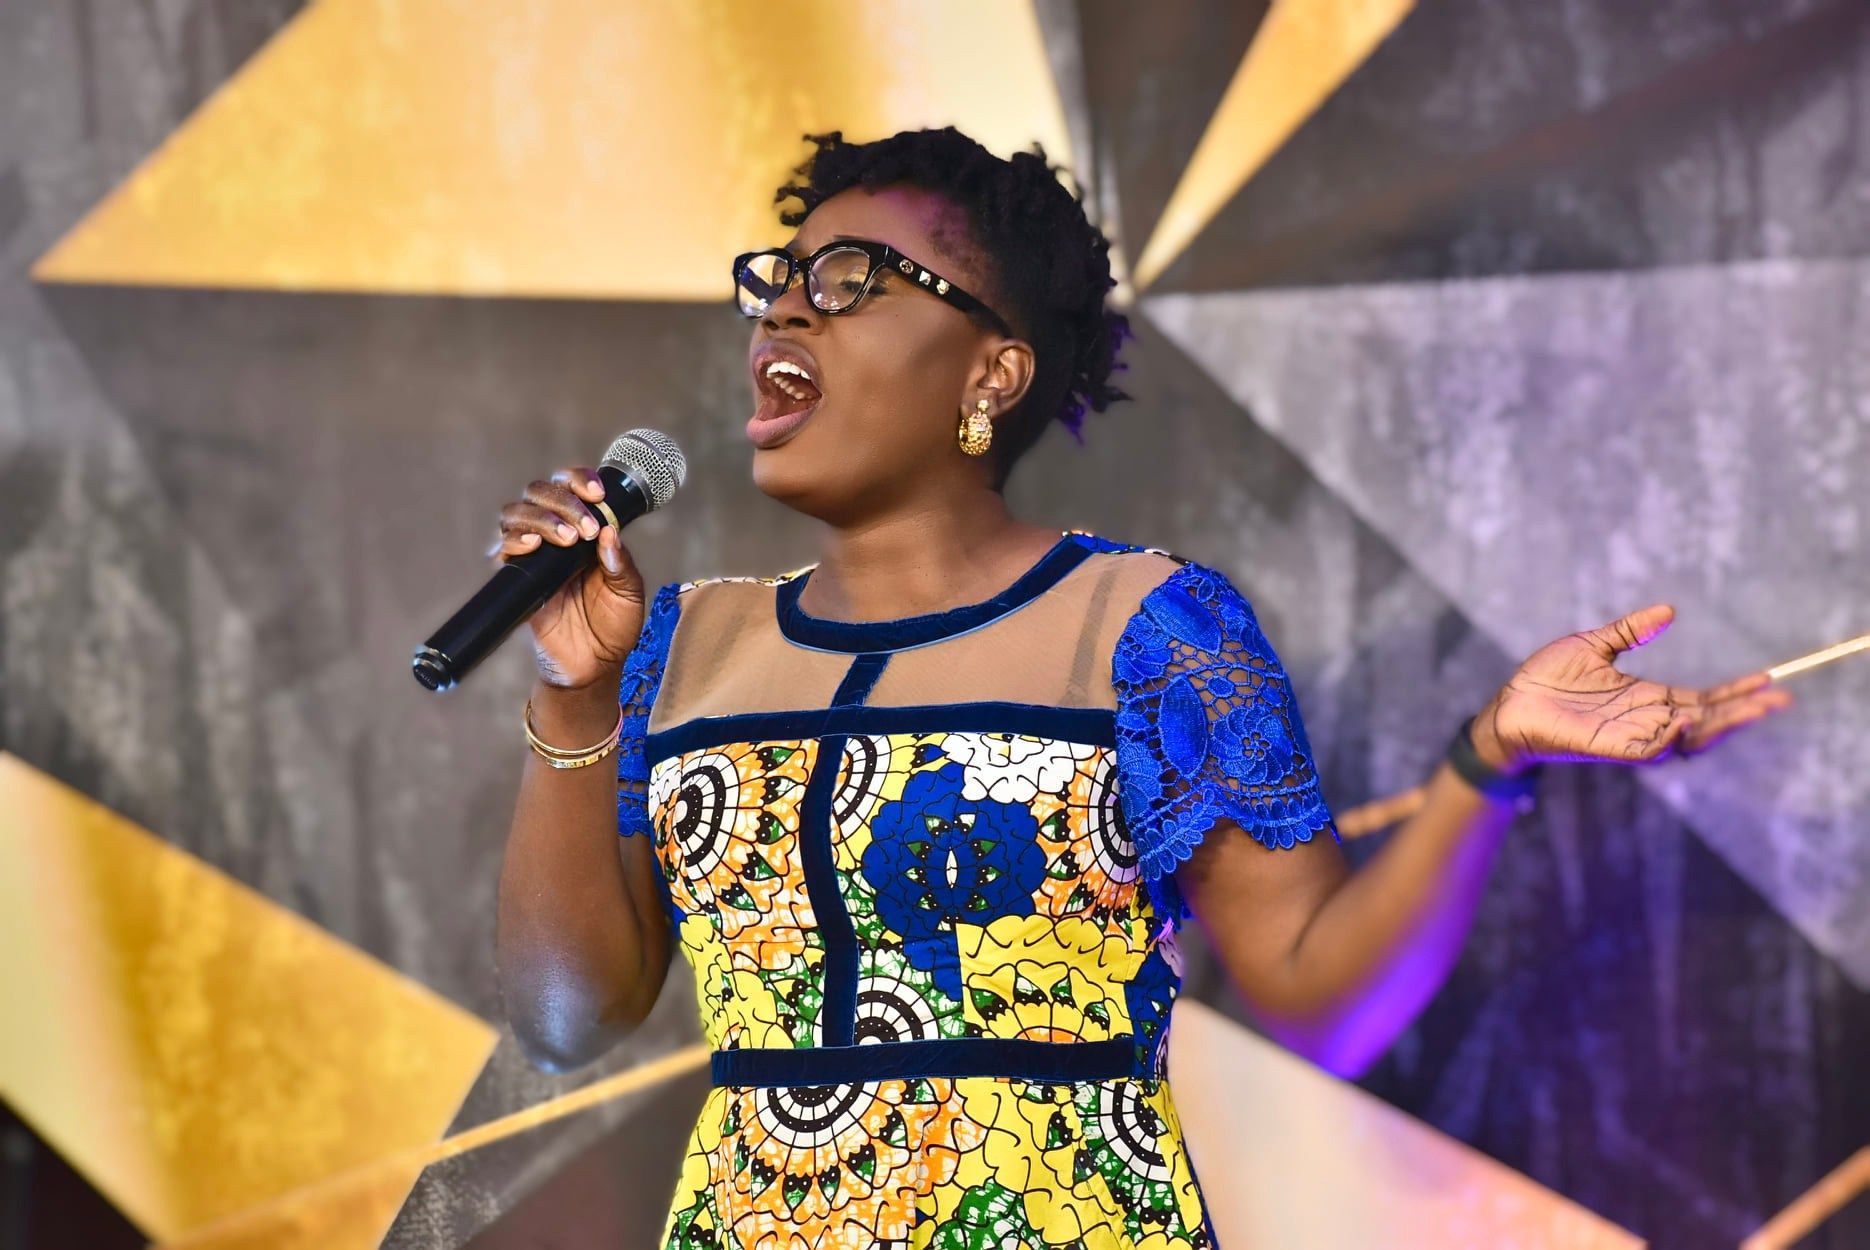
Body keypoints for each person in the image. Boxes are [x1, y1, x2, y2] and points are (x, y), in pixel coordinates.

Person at [492, 127, 1792, 1249]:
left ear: (991, 371)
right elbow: (565, 1017)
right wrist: (573, 694)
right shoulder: (676, 646)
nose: (785, 311)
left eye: (845, 281)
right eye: (777, 282)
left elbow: (1319, 996)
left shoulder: (1148, 628)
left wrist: (1486, 757)